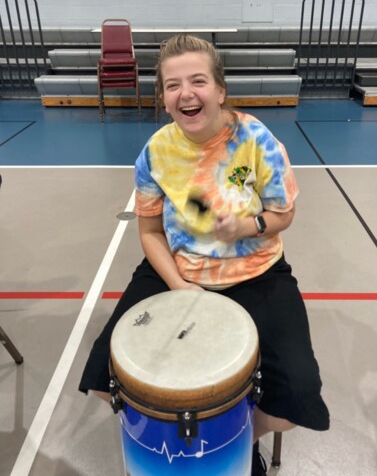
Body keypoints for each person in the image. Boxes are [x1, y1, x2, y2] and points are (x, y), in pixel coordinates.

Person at [79, 35, 329, 475]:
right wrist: (181, 288)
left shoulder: (257, 140)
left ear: (220, 90)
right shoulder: (156, 152)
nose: (186, 93)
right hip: (177, 270)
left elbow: (283, 215)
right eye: (173, 85)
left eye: (198, 81)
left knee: (299, 393)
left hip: (258, 273)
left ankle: (232, 441)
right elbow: (151, 231)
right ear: (163, 97)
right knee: (103, 377)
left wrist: (248, 226)